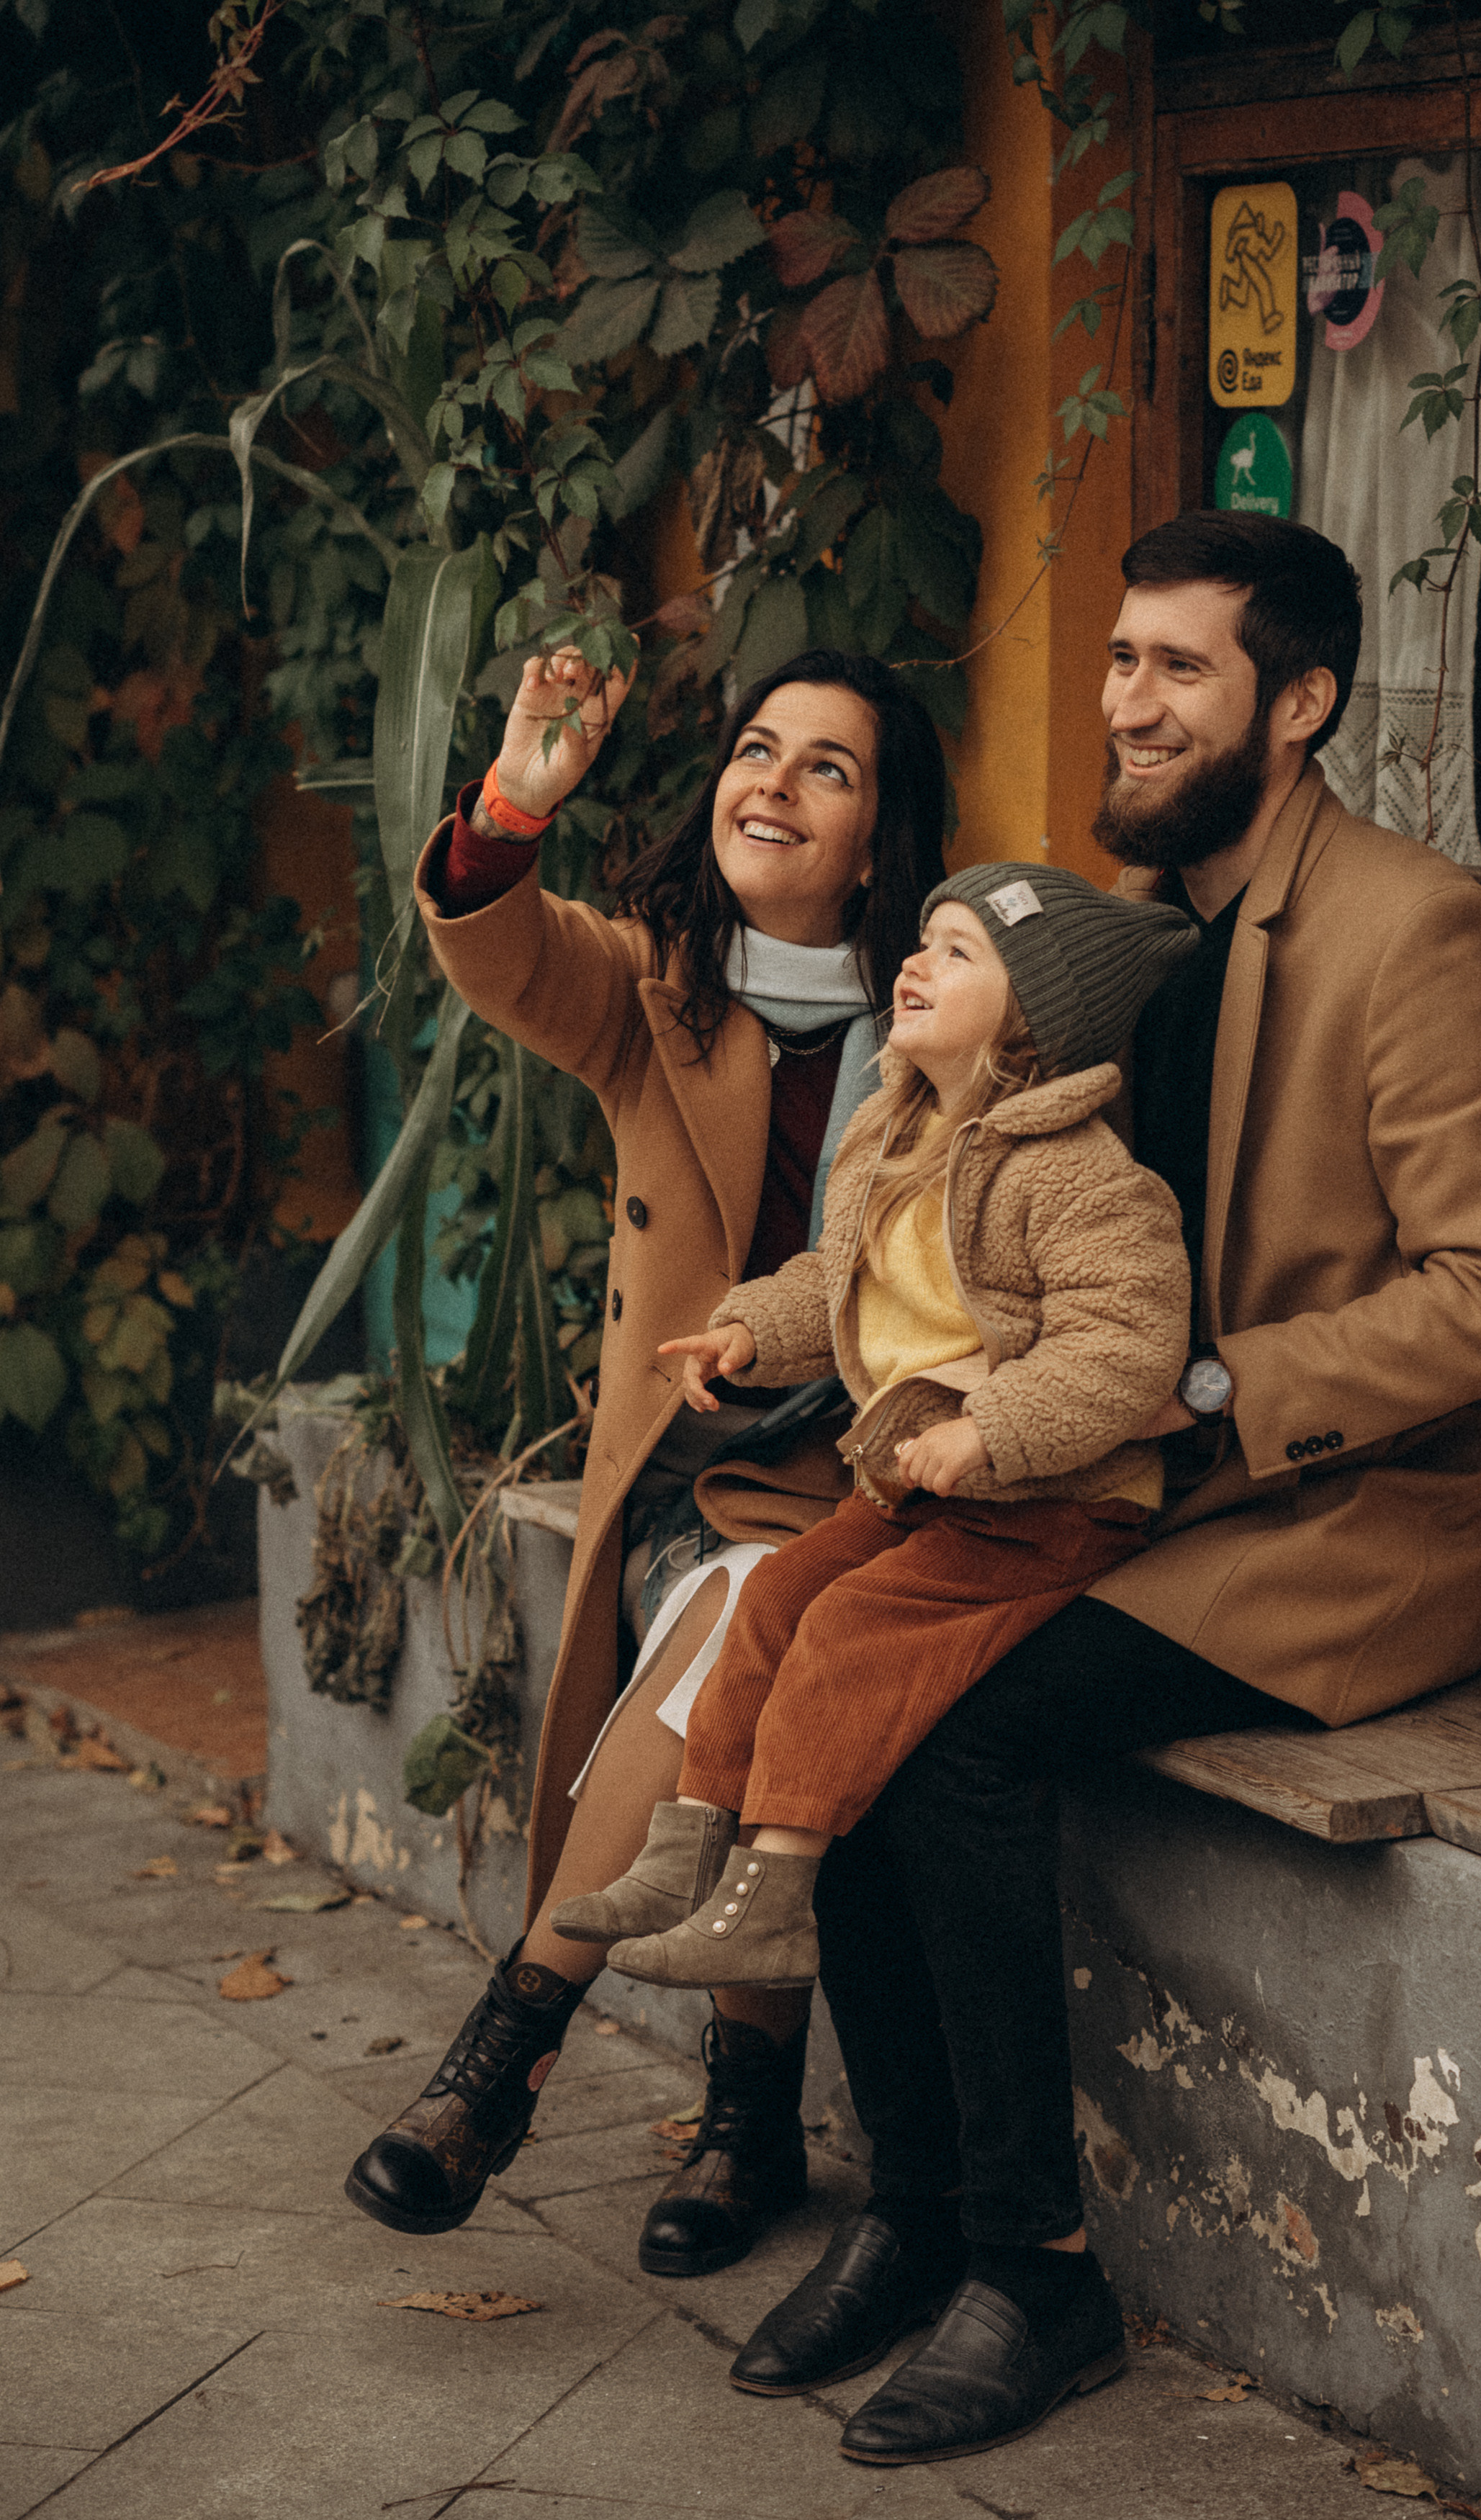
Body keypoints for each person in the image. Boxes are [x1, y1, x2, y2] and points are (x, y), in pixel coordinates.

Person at [722, 513, 1481, 2467]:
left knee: (946, 1737)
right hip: (1089, 1474)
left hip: (1310, 1524)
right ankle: (917, 2213)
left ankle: (1034, 2270)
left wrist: (1212, 1386)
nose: (1122, 699)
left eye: (1173, 669)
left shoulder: (1409, 925)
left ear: (1298, 704)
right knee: (829, 1672)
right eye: (1116, 659)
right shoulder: (1125, 929)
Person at [345, 645, 950, 2270]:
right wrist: (510, 806)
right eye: (757, 749)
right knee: (751, 1613)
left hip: (893, 1471)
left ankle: (514, 2052)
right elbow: (502, 951)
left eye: (827, 765)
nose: (772, 781)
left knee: (765, 1626)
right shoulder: (656, 991)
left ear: (884, 833)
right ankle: (737, 2117)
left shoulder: (956, 1026)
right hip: (704, 1460)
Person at [548, 865, 1197, 1992]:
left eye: (957, 952)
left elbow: (1124, 1349)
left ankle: (773, 1898)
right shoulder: (887, 1136)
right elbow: (835, 1282)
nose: (914, 962)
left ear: (1034, 1019)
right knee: (773, 1601)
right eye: (921, 938)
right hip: (920, 1484)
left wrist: (990, 1429)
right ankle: (686, 1850)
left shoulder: (1081, 1178)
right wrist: (747, 1330)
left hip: (1049, 1502)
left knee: (844, 1630)